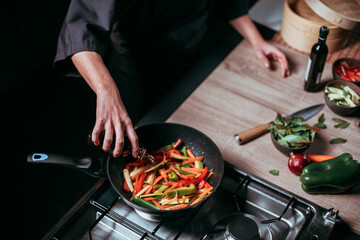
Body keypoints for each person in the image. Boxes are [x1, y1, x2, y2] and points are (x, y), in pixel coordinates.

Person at [54, 0, 290, 159]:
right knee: (140, 136)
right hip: (137, 62)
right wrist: (106, 90)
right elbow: (79, 31)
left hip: (191, 48)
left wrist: (256, 39)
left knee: (192, 126)